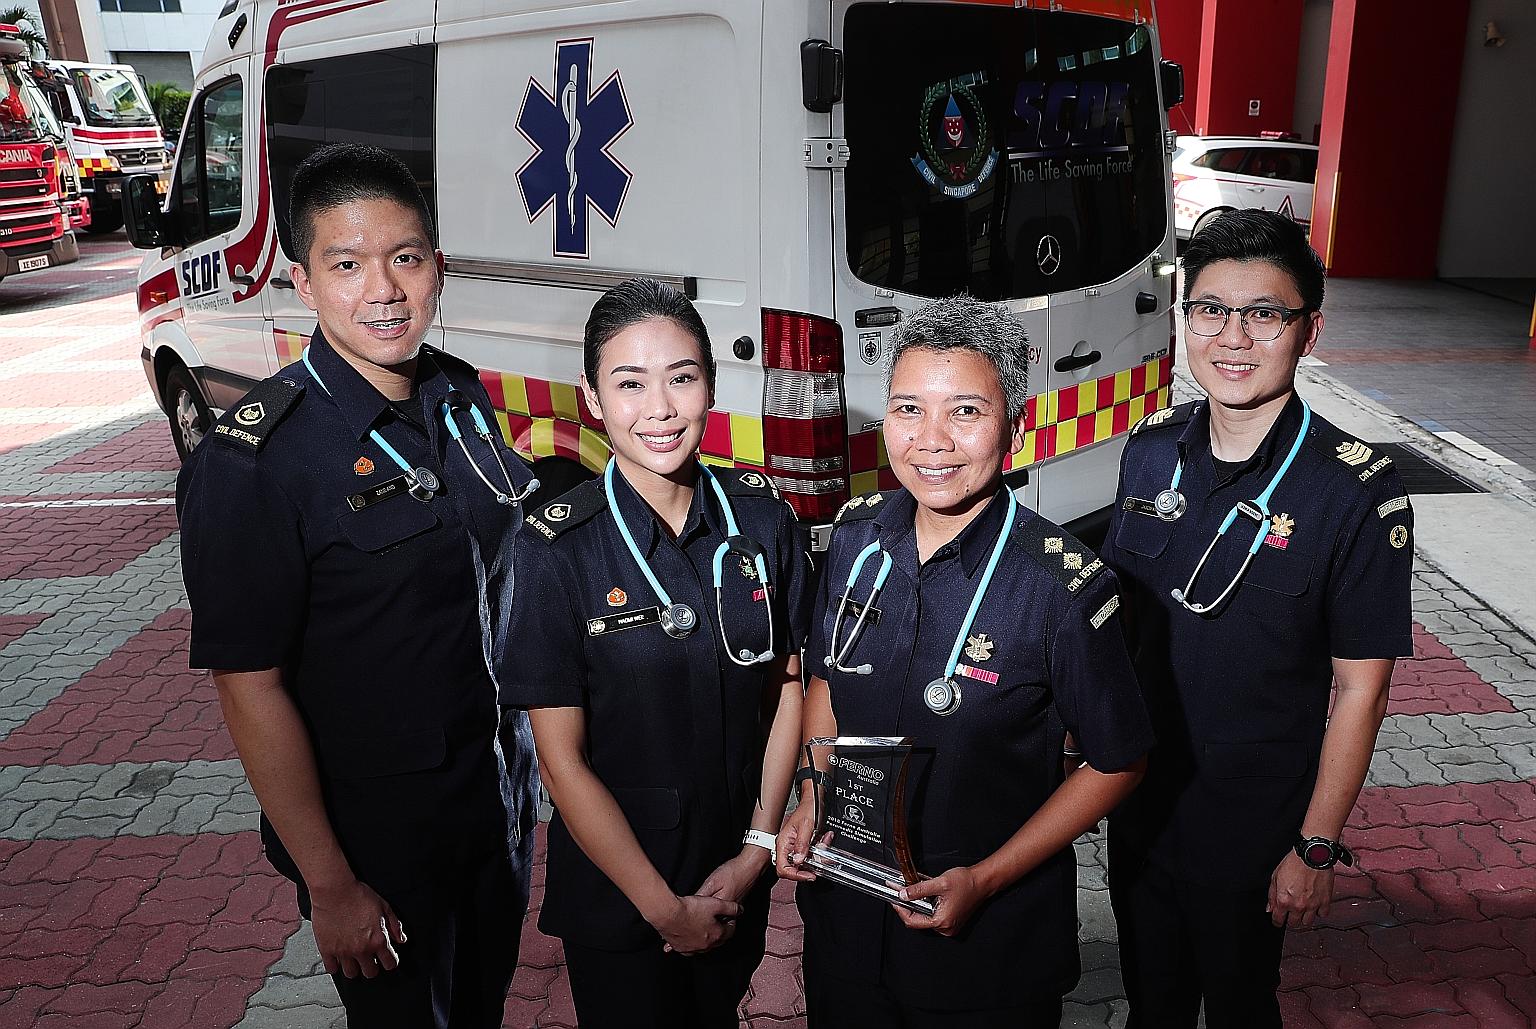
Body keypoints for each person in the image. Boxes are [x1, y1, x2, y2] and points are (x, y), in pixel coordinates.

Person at [176, 143, 539, 1028]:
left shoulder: (457, 396)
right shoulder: (254, 460)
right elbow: (247, 682)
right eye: (347, 264)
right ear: (304, 281)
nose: (383, 290)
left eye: (405, 259)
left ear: (438, 269)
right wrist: (329, 882)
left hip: (492, 809)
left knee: (480, 1012)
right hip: (378, 842)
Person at [776, 295, 1154, 1028]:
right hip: (848, 925)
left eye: (967, 412)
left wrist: (985, 878)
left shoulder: (1064, 585)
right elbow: (827, 678)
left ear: (1015, 426)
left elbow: (1118, 761)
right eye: (909, 409)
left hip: (986, 948)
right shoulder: (855, 541)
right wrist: (810, 795)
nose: (932, 440)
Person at [1102, 209, 1413, 1028]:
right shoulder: (1151, 447)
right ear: (1185, 321)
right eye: (1210, 309)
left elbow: (1360, 693)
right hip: (1139, 807)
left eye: (1264, 313)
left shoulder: (1356, 491)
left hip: (1254, 830)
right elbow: (1122, 623)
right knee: (1152, 1006)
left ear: (1308, 330)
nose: (1232, 336)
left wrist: (1315, 844)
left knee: (1242, 1006)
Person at [500, 278, 814, 1029]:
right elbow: (560, 762)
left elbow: (788, 683)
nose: (661, 407)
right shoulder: (556, 549)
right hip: (619, 895)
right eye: (630, 382)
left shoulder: (762, 517)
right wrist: (662, 908)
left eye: (682, 377)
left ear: (710, 384)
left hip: (736, 867)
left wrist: (756, 851)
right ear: (593, 398)